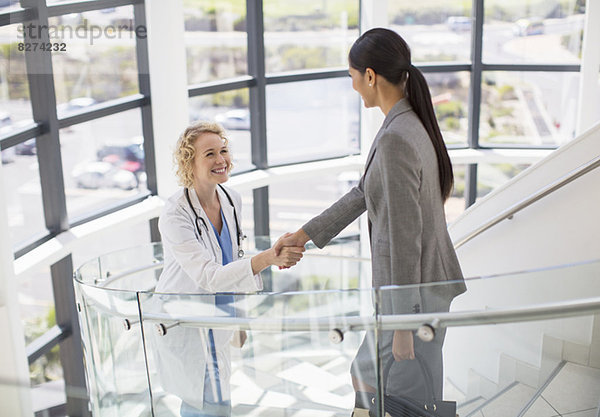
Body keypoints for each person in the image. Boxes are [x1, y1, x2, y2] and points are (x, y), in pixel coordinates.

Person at [274, 28, 467, 414]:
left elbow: (404, 237)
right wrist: (304, 235)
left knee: (403, 397)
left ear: (371, 76)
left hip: (411, 298)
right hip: (417, 292)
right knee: (376, 382)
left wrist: (401, 326)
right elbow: (365, 192)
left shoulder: (397, 135)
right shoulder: (406, 122)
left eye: (352, 76)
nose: (353, 86)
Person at [154, 121, 305, 416]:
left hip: (218, 319)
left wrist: (239, 319)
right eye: (209, 154)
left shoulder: (231, 200)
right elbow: (209, 276)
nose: (221, 160)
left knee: (216, 402)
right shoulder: (175, 214)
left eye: (223, 151)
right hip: (186, 319)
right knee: (204, 404)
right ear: (189, 162)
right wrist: (268, 258)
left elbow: (233, 261)